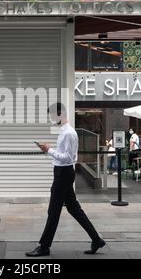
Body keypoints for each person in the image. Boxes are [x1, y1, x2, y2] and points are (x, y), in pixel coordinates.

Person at [26, 103, 106, 257]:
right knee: (73, 209)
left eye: (52, 115)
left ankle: (44, 247)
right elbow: (65, 156)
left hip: (63, 174)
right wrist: (49, 149)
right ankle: (96, 239)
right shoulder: (65, 131)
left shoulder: (68, 133)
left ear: (59, 114)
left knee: (53, 211)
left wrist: (48, 149)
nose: (51, 119)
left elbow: (68, 158)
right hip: (64, 173)